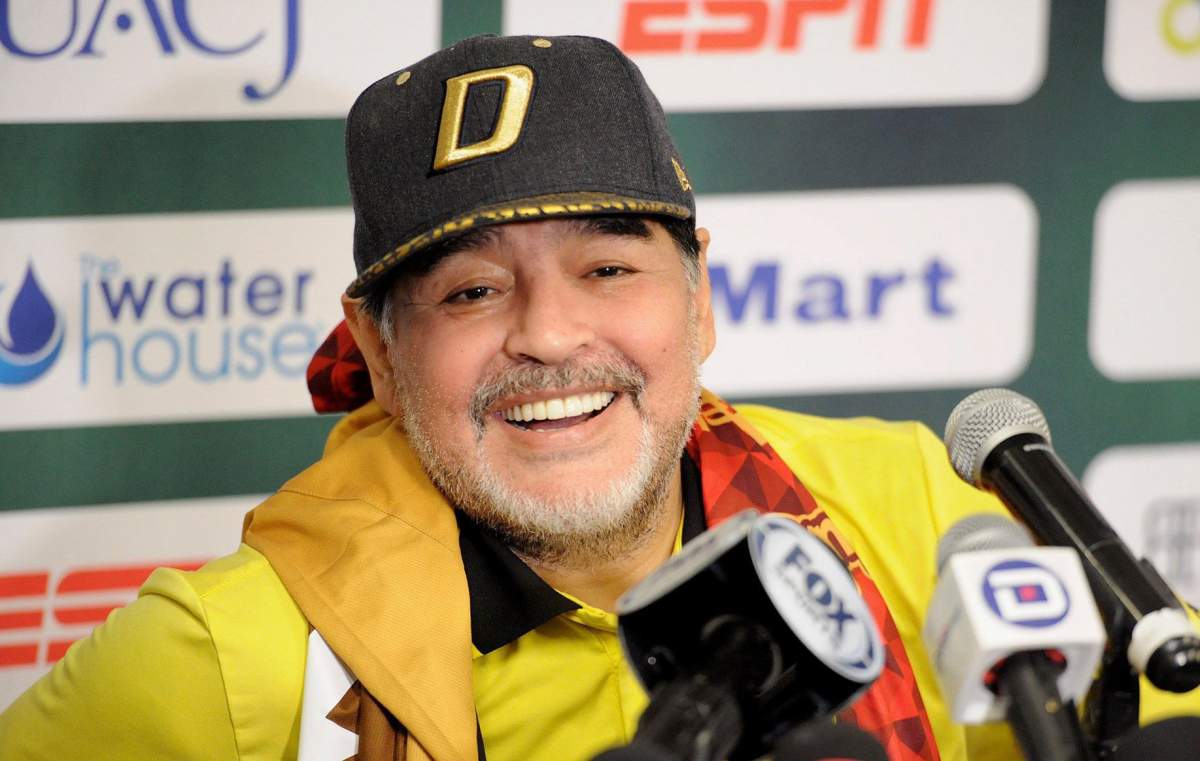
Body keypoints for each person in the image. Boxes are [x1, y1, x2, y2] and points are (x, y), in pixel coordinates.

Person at [0, 34, 1195, 761]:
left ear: (699, 298)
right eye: (470, 293)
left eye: (609, 267)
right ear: (378, 341)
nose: (551, 334)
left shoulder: (909, 499)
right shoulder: (240, 656)